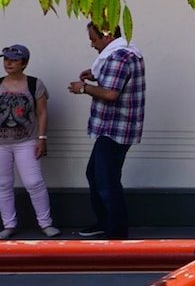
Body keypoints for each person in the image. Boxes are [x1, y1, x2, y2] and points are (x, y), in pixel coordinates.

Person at [68, 23, 145, 239]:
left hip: (115, 128)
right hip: (118, 127)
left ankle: (116, 229)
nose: (92, 45)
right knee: (97, 174)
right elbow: (117, 83)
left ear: (108, 35)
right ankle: (107, 222)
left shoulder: (118, 57)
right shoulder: (127, 52)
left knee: (105, 178)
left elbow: (111, 94)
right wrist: (96, 76)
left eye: (94, 39)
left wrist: (82, 88)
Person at [0, 44, 58, 238]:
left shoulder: (34, 84)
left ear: (24, 63)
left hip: (26, 141)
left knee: (34, 182)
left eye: (14, 60)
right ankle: (9, 224)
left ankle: (45, 223)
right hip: (1, 144)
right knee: (3, 184)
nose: (8, 63)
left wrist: (42, 138)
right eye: (6, 59)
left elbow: (42, 113)